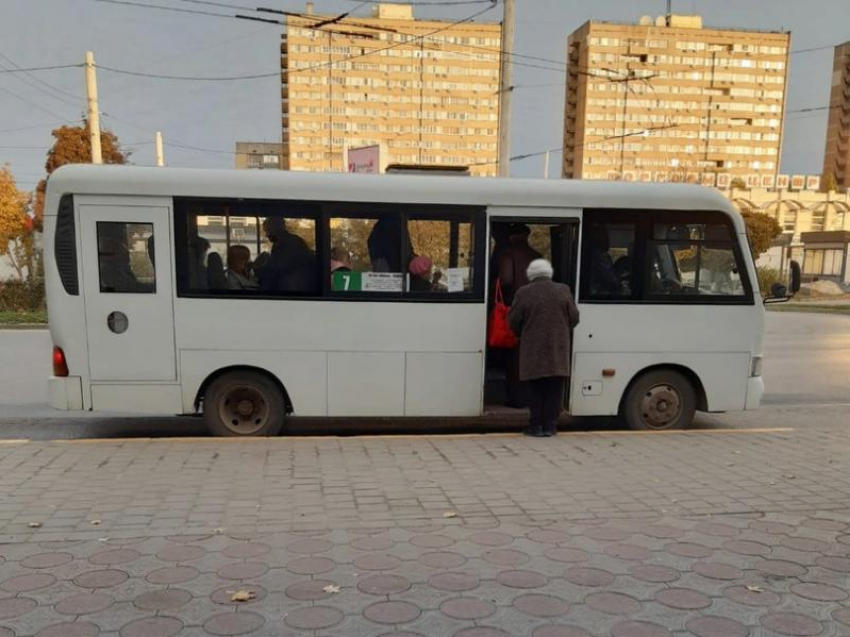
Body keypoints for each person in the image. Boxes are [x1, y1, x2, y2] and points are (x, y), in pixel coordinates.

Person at [508, 258, 580, 437]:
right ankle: (550, 426)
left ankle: (535, 426)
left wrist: (521, 333)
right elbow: (574, 318)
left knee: (535, 390)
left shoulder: (524, 292)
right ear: (549, 273)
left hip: (532, 349)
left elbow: (513, 320)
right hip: (558, 348)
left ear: (531, 274)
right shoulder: (563, 290)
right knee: (554, 390)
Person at [497, 223, 542, 408]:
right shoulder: (537, 257)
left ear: (512, 237)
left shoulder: (508, 254)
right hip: (536, 310)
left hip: (514, 308)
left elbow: (506, 280)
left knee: (513, 357)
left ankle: (516, 398)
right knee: (530, 355)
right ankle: (531, 396)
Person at [258, 217, 317, 293]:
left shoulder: (290, 244)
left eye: (268, 231)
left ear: (276, 228)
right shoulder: (282, 243)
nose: (267, 235)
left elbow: (278, 268)